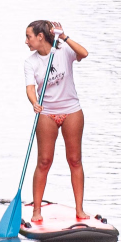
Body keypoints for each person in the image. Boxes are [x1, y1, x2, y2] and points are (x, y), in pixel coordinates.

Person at [23, 19, 91, 222]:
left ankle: (79, 210)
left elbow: (84, 54)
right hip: (47, 113)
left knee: (75, 160)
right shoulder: (31, 62)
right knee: (44, 161)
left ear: (40, 36)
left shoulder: (63, 51)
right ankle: (36, 211)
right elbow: (30, 88)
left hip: (71, 111)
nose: (26, 41)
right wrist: (35, 102)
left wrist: (64, 36)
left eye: (29, 37)